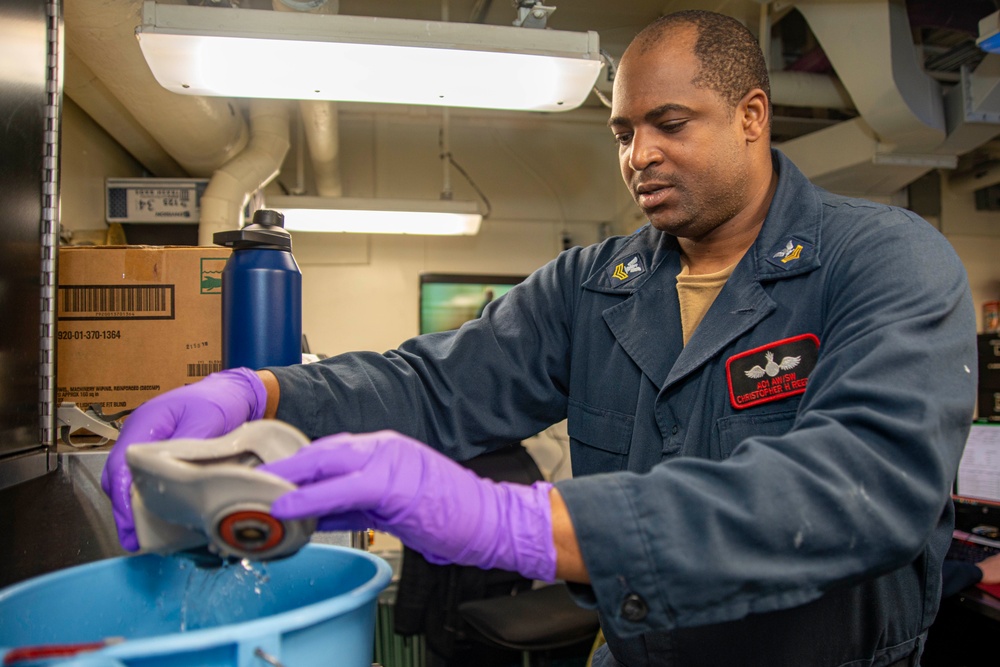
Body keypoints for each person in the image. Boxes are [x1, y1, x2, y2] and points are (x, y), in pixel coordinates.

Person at [101, 10, 978, 667]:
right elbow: (437, 386)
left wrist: (520, 521)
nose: (638, 154)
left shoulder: (883, 262)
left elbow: (860, 485)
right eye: (624, 132)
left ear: (752, 116)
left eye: (669, 124)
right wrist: (263, 393)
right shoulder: (595, 285)